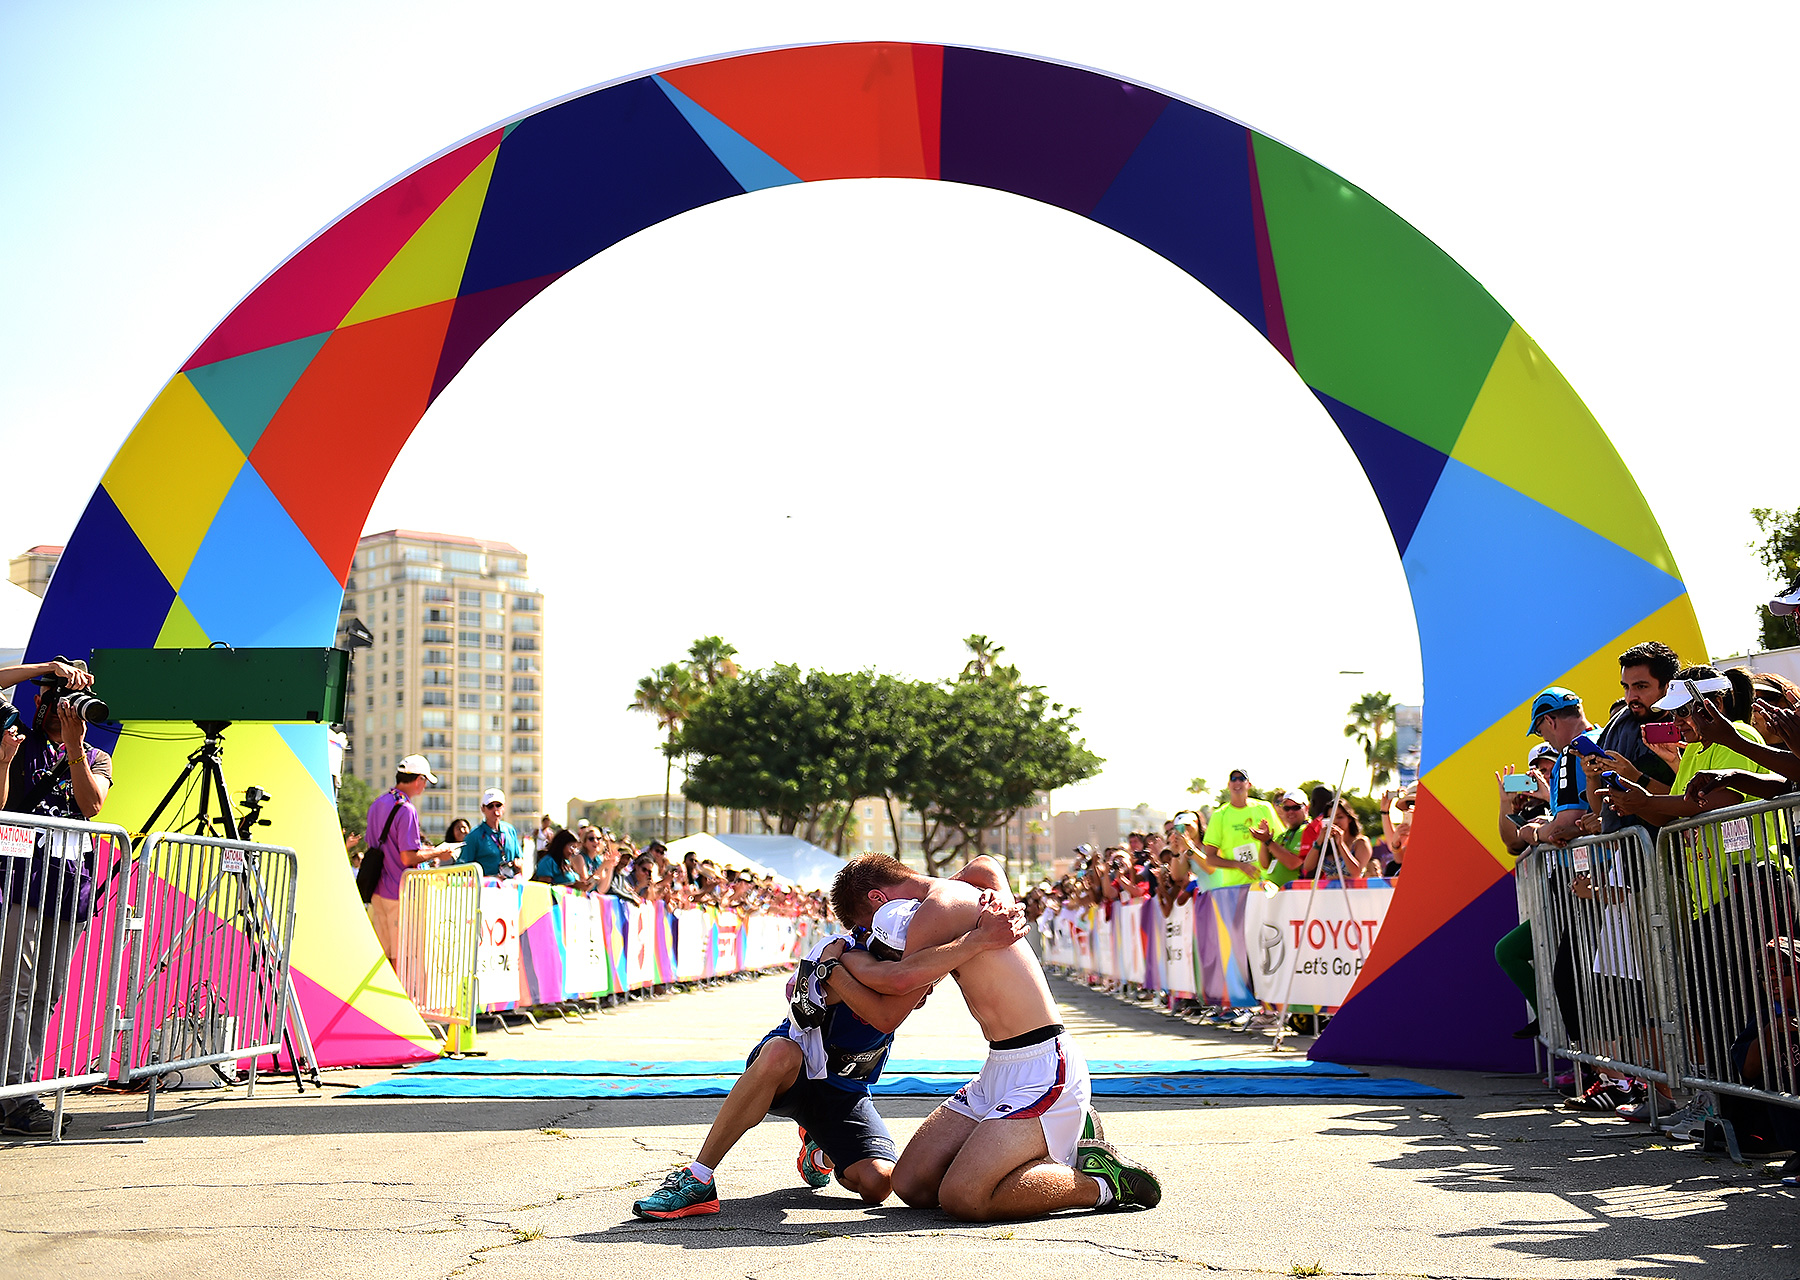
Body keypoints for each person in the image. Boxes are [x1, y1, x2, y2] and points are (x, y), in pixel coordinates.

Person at [632, 898, 1018, 1219]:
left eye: (910, 954)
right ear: (874, 942)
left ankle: (819, 1143)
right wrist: (837, 970)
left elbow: (896, 985)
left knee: (878, 1184)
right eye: (896, 954)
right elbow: (867, 1001)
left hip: (843, 1093)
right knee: (780, 1052)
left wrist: (977, 933)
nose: (904, 963)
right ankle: (698, 1177)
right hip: (793, 1074)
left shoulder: (883, 967)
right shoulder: (842, 951)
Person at [832, 853, 1162, 1220]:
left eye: (868, 928)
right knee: (911, 1184)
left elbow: (888, 1010)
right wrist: (998, 902)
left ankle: (1103, 1185)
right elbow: (984, 864)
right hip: (999, 1065)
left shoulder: (935, 911)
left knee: (966, 1196)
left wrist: (836, 965)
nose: (877, 941)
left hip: (1045, 1066)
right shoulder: (954, 893)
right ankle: (1051, 1138)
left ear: (878, 899)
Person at [0, 660, 111, 1137]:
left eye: (72, 701)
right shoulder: (17, 741)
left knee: (48, 993)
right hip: (20, 881)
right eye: (56, 698)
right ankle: (15, 1096)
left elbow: (92, 805)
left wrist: (74, 746)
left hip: (68, 888)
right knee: (15, 989)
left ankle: (21, 1090)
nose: (65, 709)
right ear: (40, 700)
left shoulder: (94, 755)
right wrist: (45, 668)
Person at [362, 755, 459, 966]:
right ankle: (399, 999)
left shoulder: (377, 803)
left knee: (382, 959)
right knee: (401, 958)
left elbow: (383, 847)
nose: (424, 787)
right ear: (419, 780)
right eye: (425, 782)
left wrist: (428, 850)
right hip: (399, 891)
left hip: (376, 890)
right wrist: (437, 852)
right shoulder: (406, 809)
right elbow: (407, 857)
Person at [1589, 641, 1682, 838]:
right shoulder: (1617, 728)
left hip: (1681, 854)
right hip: (1629, 857)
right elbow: (1601, 810)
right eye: (1626, 687)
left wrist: (1637, 778)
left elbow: (1689, 801)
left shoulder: (1689, 727)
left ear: (1668, 686)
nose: (1631, 697)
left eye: (1641, 686)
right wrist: (1591, 776)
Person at [1199, 770, 1276, 887]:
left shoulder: (1264, 808)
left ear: (1249, 784)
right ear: (1229, 785)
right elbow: (1210, 859)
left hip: (1266, 883)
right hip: (1235, 887)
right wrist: (1239, 865)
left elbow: (1280, 841)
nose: (1237, 782)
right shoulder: (1220, 815)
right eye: (1233, 779)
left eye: (1242, 779)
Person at [458, 789, 526, 879]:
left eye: (498, 805)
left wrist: (519, 863)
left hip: (510, 885)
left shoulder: (510, 830)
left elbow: (519, 857)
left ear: (504, 807)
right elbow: (463, 869)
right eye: (490, 806)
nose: (495, 809)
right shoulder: (473, 836)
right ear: (483, 808)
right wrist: (491, 878)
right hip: (486, 888)